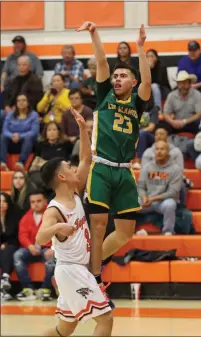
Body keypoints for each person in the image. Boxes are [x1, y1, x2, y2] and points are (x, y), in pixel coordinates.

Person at [76, 22, 151, 290]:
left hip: (125, 170)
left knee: (124, 233)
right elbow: (102, 62)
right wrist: (95, 34)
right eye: (116, 76)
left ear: (132, 82)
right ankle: (94, 279)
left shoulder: (137, 102)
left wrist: (140, 48)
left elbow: (147, 81)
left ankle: (87, 267)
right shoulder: (104, 94)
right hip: (102, 168)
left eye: (123, 76)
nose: (117, 79)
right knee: (98, 227)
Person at [35, 108, 113, 337]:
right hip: (70, 271)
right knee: (105, 319)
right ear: (61, 177)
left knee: (65, 329)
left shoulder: (75, 192)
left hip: (77, 270)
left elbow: (86, 158)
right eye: (68, 168)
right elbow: (40, 238)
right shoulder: (54, 209)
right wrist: (58, 227)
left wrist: (82, 129)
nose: (73, 168)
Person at [14, 190, 55, 301]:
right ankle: (28, 289)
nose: (35, 204)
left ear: (45, 201)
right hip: (31, 248)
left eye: (38, 201)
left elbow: (58, 234)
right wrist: (29, 246)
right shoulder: (26, 217)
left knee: (52, 258)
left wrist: (52, 249)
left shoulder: (53, 214)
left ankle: (46, 289)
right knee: (18, 255)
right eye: (32, 202)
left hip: (47, 248)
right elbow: (22, 235)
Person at [138, 140, 183, 235]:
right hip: (147, 201)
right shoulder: (147, 167)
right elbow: (141, 186)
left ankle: (168, 232)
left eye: (162, 149)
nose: (159, 151)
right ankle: (129, 230)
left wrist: (153, 199)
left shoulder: (176, 169)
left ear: (168, 152)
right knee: (128, 203)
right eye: (157, 149)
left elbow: (173, 192)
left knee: (170, 204)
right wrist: (144, 197)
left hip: (163, 202)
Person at [1, 93, 40, 171]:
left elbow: (34, 132)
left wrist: (19, 136)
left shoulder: (34, 115)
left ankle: (21, 163)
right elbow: (5, 130)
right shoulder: (10, 114)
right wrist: (12, 135)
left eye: (23, 100)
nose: (21, 102)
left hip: (27, 142)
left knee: (29, 137)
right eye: (18, 101)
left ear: (28, 102)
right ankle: (2, 163)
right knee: (2, 137)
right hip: (11, 141)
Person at [0, 192, 23, 301]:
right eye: (0, 201)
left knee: (8, 250)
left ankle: (4, 278)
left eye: (4, 201)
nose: (1, 204)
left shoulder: (14, 216)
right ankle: (4, 283)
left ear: (8, 203)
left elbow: (16, 236)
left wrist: (6, 244)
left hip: (12, 245)